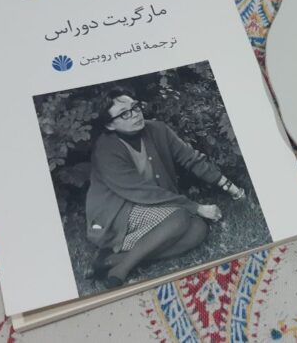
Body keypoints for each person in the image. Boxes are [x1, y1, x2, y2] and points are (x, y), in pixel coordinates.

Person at [85, 87, 245, 288]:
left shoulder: (157, 130)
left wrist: (231, 188)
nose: (135, 114)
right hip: (117, 212)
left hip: (153, 204)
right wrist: (195, 207)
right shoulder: (105, 149)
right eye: (125, 114)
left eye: (135, 107)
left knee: (199, 229)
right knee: (181, 216)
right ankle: (122, 269)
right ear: (110, 124)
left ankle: (111, 260)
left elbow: (191, 159)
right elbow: (140, 192)